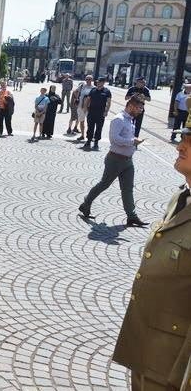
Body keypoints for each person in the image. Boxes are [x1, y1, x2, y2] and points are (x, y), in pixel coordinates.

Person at [112, 126, 191, 391]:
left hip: (173, 364)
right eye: (183, 139)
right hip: (148, 347)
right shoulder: (182, 197)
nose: (180, 146)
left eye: (190, 143)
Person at [78, 95, 148, 227]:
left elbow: (125, 137)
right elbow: (114, 139)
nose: (141, 111)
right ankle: (85, 204)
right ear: (130, 106)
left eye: (142, 108)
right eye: (139, 108)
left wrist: (133, 141)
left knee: (127, 189)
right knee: (104, 184)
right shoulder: (118, 119)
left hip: (128, 160)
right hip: (115, 159)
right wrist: (132, 141)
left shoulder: (131, 120)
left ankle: (132, 217)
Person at [83, 77, 112, 151]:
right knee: (90, 127)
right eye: (97, 82)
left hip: (100, 112)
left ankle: (96, 142)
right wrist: (85, 108)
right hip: (91, 111)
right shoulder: (93, 90)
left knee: (99, 128)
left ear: (103, 82)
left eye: (99, 82)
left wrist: (106, 111)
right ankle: (88, 141)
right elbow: (88, 99)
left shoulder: (107, 91)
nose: (97, 83)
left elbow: (108, 102)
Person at [76, 75, 95, 141]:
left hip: (89, 108)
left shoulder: (94, 88)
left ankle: (90, 135)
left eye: (89, 79)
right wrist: (77, 98)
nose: (88, 80)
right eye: (87, 79)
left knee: (90, 122)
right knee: (81, 121)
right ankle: (82, 135)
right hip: (80, 106)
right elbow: (76, 92)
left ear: (92, 80)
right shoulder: (81, 86)